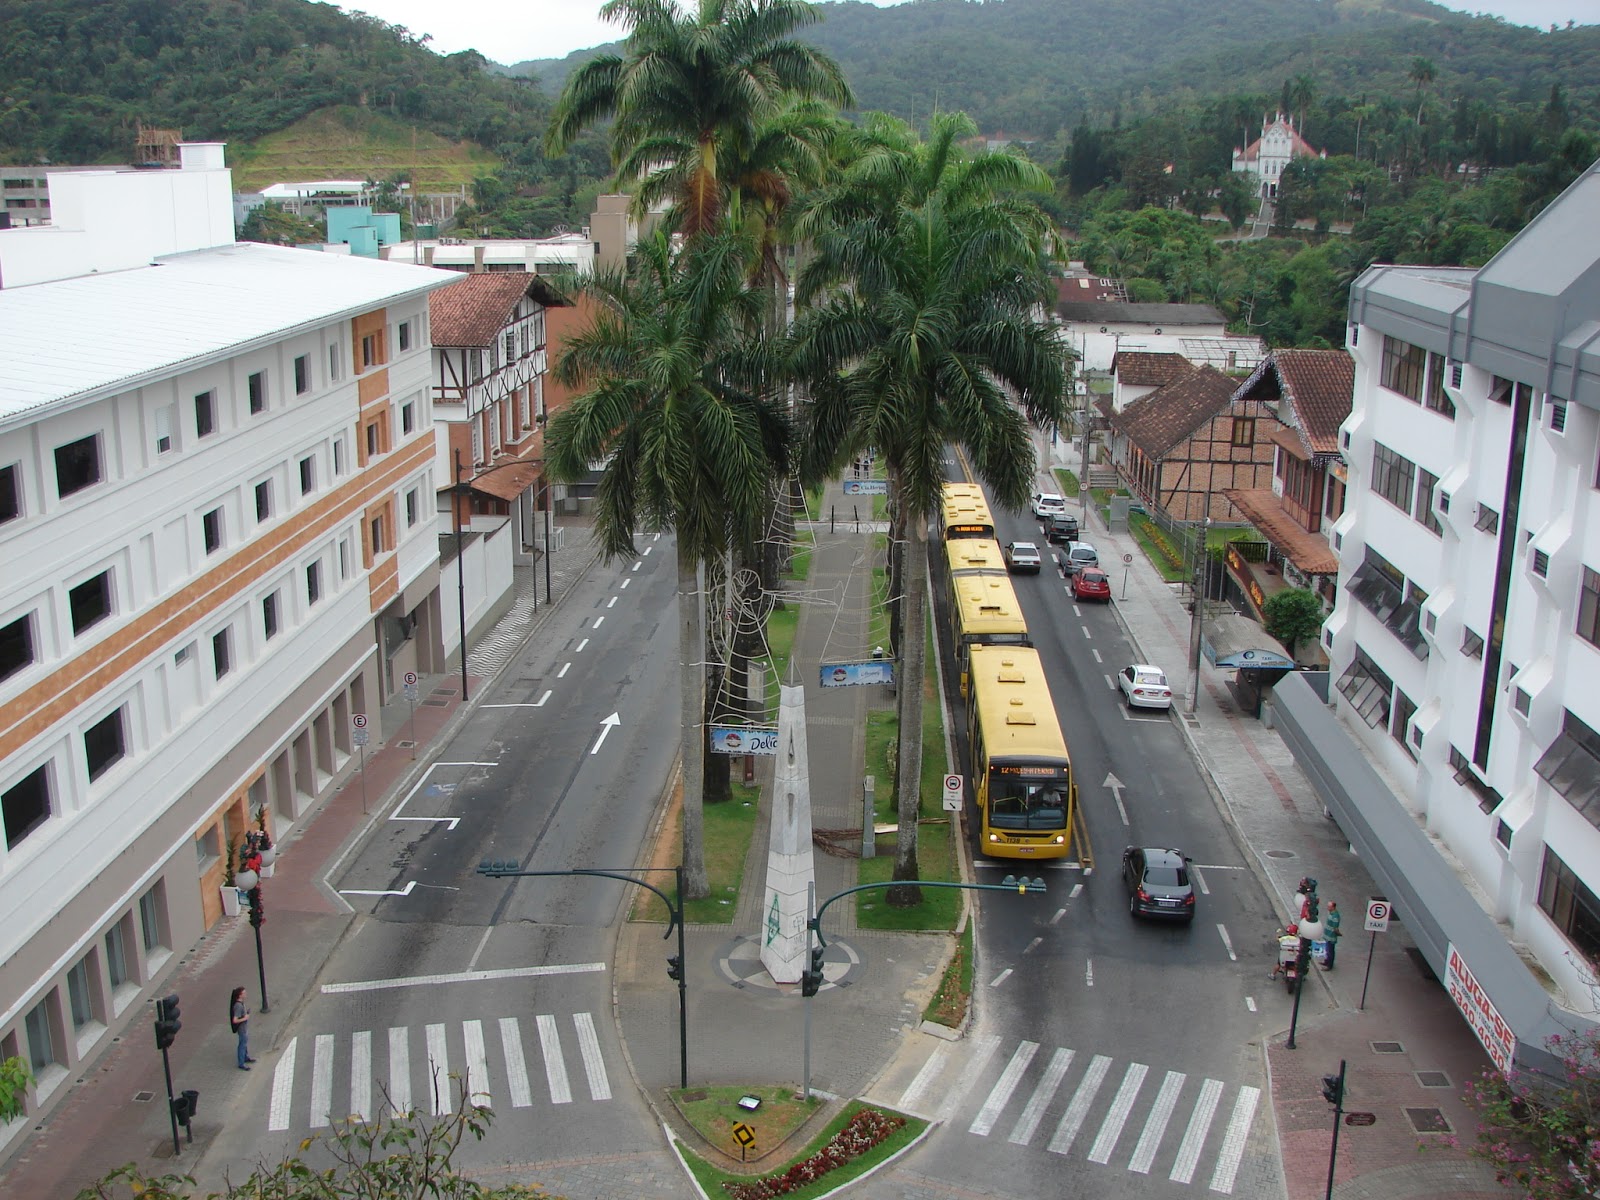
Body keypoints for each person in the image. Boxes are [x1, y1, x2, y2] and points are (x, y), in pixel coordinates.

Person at [231, 987, 255, 1069]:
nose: (246, 994)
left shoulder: (241, 1003)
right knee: (242, 1045)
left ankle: (245, 1057)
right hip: (242, 1029)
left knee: (244, 1044)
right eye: (244, 993)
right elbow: (235, 1020)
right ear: (240, 995)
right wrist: (245, 1018)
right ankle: (241, 1063)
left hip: (244, 1028)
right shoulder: (238, 1006)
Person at [1323, 901, 1342, 969]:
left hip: (1331, 937)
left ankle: (1329, 965)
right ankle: (1327, 961)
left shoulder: (1335, 916)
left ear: (1333, 907)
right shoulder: (1330, 913)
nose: (1328, 908)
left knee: (1330, 951)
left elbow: (1335, 928)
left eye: (1329, 906)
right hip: (1327, 936)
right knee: (1327, 950)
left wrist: (1338, 934)